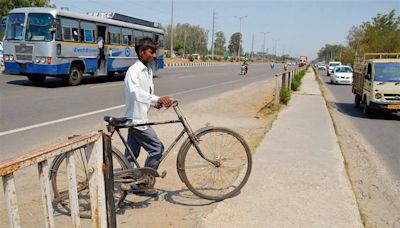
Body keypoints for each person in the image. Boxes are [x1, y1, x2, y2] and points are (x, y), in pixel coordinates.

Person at [124, 37, 173, 196]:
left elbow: (147, 94)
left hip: (140, 117)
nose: (154, 56)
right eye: (151, 52)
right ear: (141, 52)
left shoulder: (148, 71)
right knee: (157, 149)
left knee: (130, 156)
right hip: (137, 120)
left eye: (155, 52)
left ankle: (130, 183)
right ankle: (143, 184)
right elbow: (136, 92)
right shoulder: (134, 71)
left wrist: (155, 103)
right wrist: (156, 99)